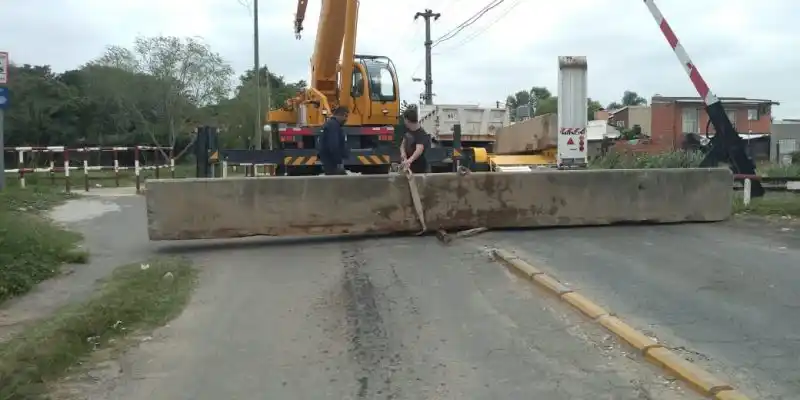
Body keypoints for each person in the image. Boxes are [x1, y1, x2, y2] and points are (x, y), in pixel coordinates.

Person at [319, 106, 349, 175]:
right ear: (342, 115)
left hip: (328, 160)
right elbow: (333, 145)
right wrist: (338, 162)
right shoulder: (333, 125)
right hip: (332, 162)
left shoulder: (331, 124)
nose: (346, 119)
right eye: (346, 116)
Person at [400, 107, 431, 173]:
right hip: (408, 167)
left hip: (419, 168)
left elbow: (419, 150)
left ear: (407, 120)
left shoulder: (421, 134)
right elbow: (403, 145)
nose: (404, 122)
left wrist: (409, 161)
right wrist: (403, 154)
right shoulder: (407, 130)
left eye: (404, 119)